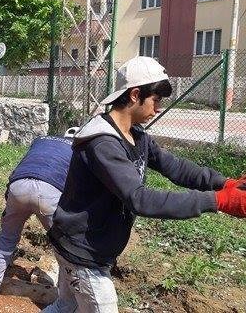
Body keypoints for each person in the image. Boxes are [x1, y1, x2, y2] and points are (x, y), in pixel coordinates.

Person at [42, 56, 246, 312]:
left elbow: (175, 167)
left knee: (65, 307)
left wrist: (225, 183)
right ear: (135, 95)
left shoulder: (136, 136)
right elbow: (139, 199)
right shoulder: (103, 143)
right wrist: (217, 201)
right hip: (82, 252)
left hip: (91, 245)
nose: (158, 108)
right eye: (156, 100)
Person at [0, 128, 78, 302]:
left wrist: (8, 209)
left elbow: (24, 165)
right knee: (64, 248)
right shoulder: (79, 150)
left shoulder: (42, 140)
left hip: (18, 186)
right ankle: (68, 299)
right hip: (50, 192)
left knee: (7, 238)